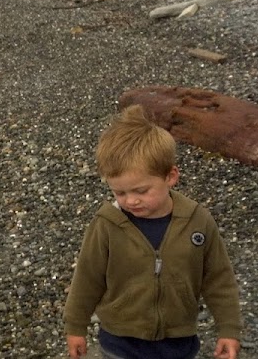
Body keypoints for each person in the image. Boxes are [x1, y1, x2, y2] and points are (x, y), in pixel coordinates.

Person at [64, 105, 241, 359]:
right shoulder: (107, 224)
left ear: (170, 176)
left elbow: (219, 279)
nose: (131, 201)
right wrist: (75, 326)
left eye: (141, 191)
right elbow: (87, 278)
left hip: (178, 343)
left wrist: (229, 329)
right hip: (119, 342)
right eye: (120, 192)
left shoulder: (197, 221)